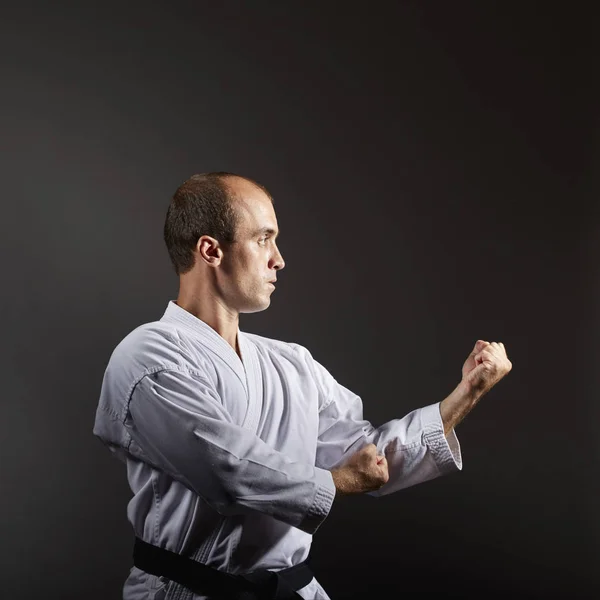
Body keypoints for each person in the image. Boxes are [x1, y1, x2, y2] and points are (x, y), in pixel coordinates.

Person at [93, 172, 512, 600]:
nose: (278, 259)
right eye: (263, 239)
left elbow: (366, 459)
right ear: (210, 250)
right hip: (187, 592)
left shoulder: (290, 362)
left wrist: (465, 394)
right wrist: (337, 482)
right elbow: (226, 471)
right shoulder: (149, 356)